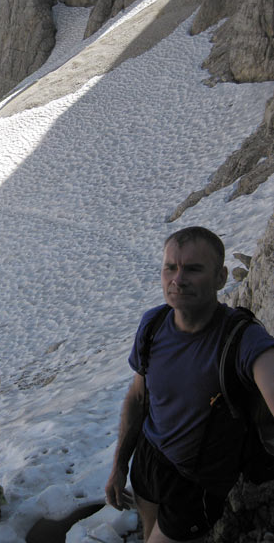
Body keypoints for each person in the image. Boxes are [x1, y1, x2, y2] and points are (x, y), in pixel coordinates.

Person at [105, 226, 274, 543]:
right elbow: (138, 398)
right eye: (170, 267)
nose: (177, 280)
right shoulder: (153, 324)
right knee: (147, 532)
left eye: (193, 269)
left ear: (221, 278)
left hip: (198, 483)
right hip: (149, 461)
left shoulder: (241, 338)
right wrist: (120, 466)